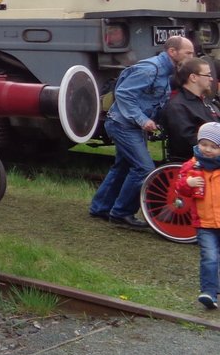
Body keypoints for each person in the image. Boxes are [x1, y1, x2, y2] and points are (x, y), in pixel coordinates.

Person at [89, 35, 196, 228]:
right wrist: (143, 120)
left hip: (130, 125)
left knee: (123, 167)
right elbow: (123, 94)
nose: (191, 57)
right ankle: (121, 213)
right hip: (123, 124)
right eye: (188, 53)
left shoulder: (167, 71)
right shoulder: (150, 69)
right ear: (172, 52)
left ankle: (100, 208)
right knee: (143, 169)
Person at [174, 122, 220, 309]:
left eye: (214, 146)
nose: (207, 149)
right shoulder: (191, 166)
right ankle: (209, 292)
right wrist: (189, 183)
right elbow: (179, 187)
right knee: (209, 257)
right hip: (204, 223)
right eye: (204, 144)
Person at [163, 57, 220, 161]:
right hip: (200, 159)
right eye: (208, 75)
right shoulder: (177, 106)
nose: (211, 79)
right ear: (193, 77)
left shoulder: (206, 101)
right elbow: (186, 140)